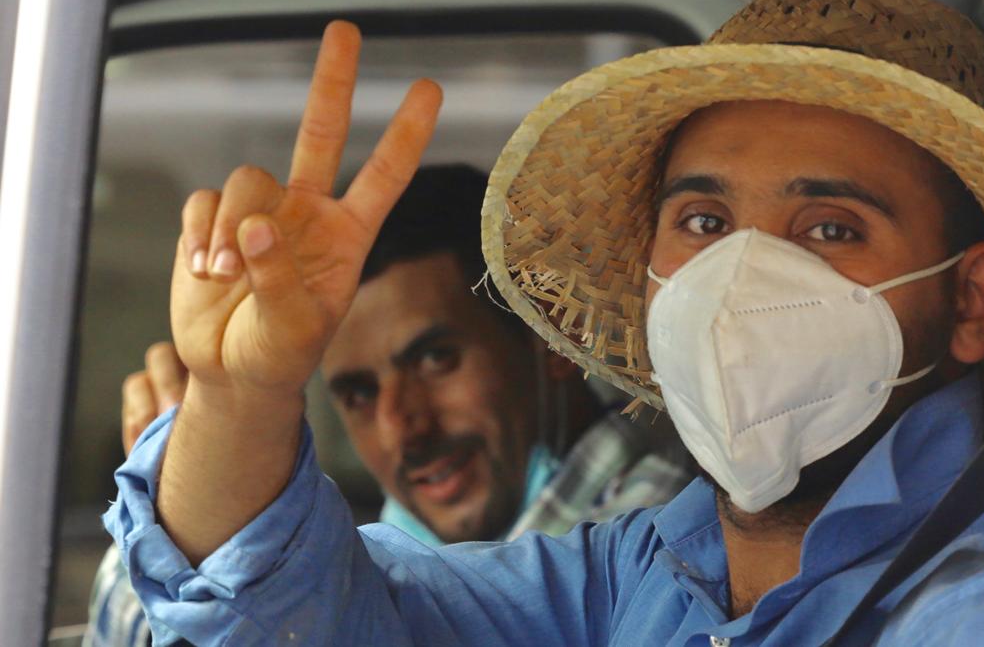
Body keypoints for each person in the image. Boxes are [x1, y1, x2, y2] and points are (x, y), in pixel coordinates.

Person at [104, 0, 984, 645]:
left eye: (831, 229)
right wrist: (243, 392)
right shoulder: (639, 573)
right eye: (705, 219)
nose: (741, 280)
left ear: (972, 301)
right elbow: (303, 616)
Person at [86, 166, 692, 646]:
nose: (403, 425)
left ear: (552, 336)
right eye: (358, 394)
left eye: (435, 360)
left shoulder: (657, 535)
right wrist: (207, 463)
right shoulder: (390, 559)